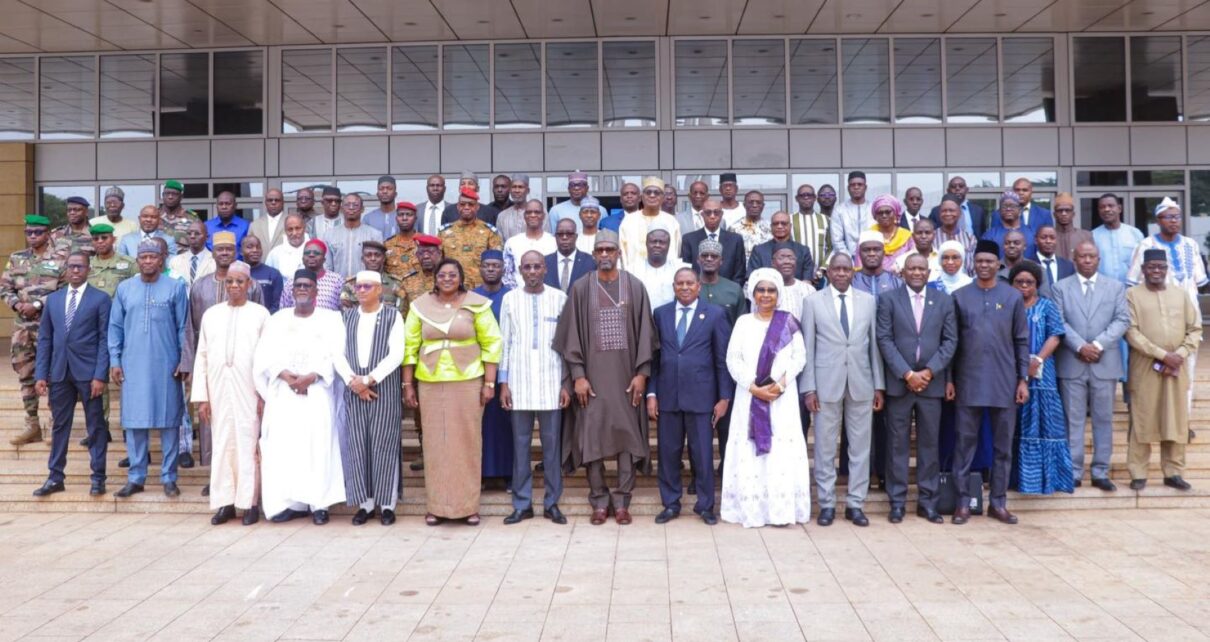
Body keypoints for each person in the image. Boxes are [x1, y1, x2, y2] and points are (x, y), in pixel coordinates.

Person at [554, 230, 657, 526]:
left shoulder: (635, 287)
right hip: (592, 382)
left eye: (609, 249)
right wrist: (578, 376)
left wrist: (642, 374)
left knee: (627, 438)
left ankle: (623, 501)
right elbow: (570, 335)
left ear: (619, 252)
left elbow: (647, 336)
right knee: (592, 439)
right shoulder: (581, 288)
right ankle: (599, 501)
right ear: (594, 253)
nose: (604, 255)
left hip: (627, 380)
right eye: (599, 250)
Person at [403, 258, 503, 526]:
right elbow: (410, 345)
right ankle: (436, 506)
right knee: (436, 445)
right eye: (442, 274)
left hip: (468, 379)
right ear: (435, 278)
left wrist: (490, 383)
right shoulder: (420, 306)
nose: (447, 278)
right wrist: (408, 384)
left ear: (461, 277)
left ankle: (468, 506)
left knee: (467, 442)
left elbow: (492, 343)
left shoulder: (476, 303)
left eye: (453, 274)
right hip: (431, 381)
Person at [255, 270, 347, 525]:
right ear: (292, 291)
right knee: (285, 447)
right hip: (284, 393)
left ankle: (319, 504)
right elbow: (264, 355)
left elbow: (336, 354)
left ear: (317, 292)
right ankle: (290, 504)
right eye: (298, 286)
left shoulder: (331, 319)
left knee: (317, 446)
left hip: (316, 392)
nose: (302, 289)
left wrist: (313, 376)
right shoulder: (277, 319)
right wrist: (284, 375)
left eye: (308, 285)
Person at [721, 267, 811, 527]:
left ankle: (780, 511)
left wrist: (780, 385)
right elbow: (732, 359)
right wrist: (753, 387)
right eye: (761, 290)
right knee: (751, 452)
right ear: (752, 293)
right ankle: (751, 509)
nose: (766, 295)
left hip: (781, 399)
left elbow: (799, 357)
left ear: (779, 294)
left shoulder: (788, 321)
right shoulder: (743, 323)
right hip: (749, 397)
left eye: (771, 290)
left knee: (780, 451)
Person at [800, 254, 884, 527]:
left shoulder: (868, 301)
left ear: (852, 272)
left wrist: (879, 385)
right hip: (826, 385)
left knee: (860, 448)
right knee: (825, 448)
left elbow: (873, 347)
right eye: (836, 269)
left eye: (846, 269)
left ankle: (855, 504)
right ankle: (826, 504)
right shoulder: (813, 301)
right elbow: (808, 347)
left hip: (862, 383)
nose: (841, 273)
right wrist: (809, 387)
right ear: (828, 272)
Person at [951, 239, 1030, 525]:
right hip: (968, 382)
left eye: (989, 261)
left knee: (1002, 447)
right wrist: (949, 380)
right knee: (964, 445)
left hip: (1004, 383)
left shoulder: (1011, 298)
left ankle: (998, 503)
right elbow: (952, 344)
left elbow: (1022, 341)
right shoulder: (959, 297)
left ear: (998, 265)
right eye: (979, 261)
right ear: (973, 263)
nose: (984, 265)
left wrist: (1022, 380)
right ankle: (962, 503)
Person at [876, 254, 957, 524]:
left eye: (922, 268)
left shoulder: (944, 301)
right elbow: (884, 339)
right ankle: (897, 502)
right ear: (902, 272)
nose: (917, 273)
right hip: (900, 384)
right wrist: (908, 373)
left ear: (929, 271)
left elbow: (950, 341)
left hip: (931, 384)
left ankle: (928, 502)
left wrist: (929, 372)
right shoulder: (888, 300)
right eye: (912, 268)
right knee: (897, 445)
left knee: (929, 445)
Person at [649, 268, 732, 525]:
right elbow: (654, 359)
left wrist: (724, 397)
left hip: (702, 398)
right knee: (668, 453)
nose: (685, 288)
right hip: (668, 397)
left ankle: (706, 506)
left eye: (689, 283)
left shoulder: (716, 314)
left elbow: (722, 359)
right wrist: (652, 393)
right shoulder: (660, 314)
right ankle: (671, 503)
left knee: (703, 455)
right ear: (674, 287)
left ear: (698, 287)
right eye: (680, 283)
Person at [109, 240, 188, 498]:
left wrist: (182, 360)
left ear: (161, 259)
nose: (147, 261)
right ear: (137, 260)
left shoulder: (175, 288)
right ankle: (136, 476)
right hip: (132, 364)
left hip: (166, 365)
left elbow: (182, 328)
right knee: (134, 423)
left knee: (169, 421)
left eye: (152, 257)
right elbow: (115, 328)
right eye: (143, 257)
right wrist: (115, 360)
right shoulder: (124, 288)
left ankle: (169, 477)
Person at [191, 261, 269, 525]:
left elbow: (267, 359)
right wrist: (202, 397)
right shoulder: (211, 315)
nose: (234, 286)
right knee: (222, 444)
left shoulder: (260, 314)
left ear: (250, 284)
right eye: (230, 282)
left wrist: (263, 395)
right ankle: (225, 502)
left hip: (249, 390)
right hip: (218, 390)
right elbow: (201, 355)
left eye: (239, 282)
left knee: (248, 444)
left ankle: (250, 504)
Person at [499, 251, 570, 525]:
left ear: (545, 269)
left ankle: (552, 503)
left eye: (537, 266)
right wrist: (503, 382)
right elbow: (504, 342)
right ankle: (522, 503)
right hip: (519, 383)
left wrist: (566, 383)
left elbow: (566, 346)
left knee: (552, 449)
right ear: (519, 269)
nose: (532, 271)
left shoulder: (559, 298)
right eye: (527, 267)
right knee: (521, 447)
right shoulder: (510, 299)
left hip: (552, 384)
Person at [1052, 242, 1129, 491]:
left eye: (1091, 256)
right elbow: (1058, 320)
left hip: (1104, 362)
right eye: (1082, 256)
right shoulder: (1060, 287)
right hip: (1072, 361)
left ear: (1099, 260)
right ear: (1074, 259)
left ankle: (1100, 471)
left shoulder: (1115, 287)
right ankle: (1073, 472)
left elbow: (1122, 319)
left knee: (1103, 419)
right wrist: (1080, 347)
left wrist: (1096, 344)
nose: (1086, 260)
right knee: (1072, 421)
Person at [32, 252, 110, 497]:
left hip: (89, 374)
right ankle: (55, 477)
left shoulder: (101, 299)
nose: (76, 271)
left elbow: (105, 340)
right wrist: (41, 374)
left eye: (81, 266)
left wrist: (100, 375)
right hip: (59, 372)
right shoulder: (53, 300)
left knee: (95, 427)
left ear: (88, 269)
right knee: (59, 426)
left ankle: (98, 478)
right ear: (65, 270)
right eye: (72, 266)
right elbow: (45, 339)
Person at [1124, 249, 1202, 491]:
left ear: (1167, 270)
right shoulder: (1131, 295)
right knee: (1142, 418)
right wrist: (1162, 355)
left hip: (1176, 369)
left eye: (1161, 267)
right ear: (1143, 269)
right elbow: (1131, 331)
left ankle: (1173, 472)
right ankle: (1138, 473)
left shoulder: (1180, 295)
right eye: (1151, 267)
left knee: (1176, 420)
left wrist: (1178, 355)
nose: (1156, 271)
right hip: (1145, 366)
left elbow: (1195, 329)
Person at [334, 271, 405, 526]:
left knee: (383, 445)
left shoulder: (392, 316)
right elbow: (337, 353)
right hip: (354, 389)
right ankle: (365, 504)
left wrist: (368, 380)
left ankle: (387, 504)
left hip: (383, 389)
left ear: (379, 290)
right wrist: (355, 382)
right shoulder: (347, 317)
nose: (361, 291)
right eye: (358, 287)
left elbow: (397, 354)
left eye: (367, 286)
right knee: (358, 446)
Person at [1006, 261, 1074, 495]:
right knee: (1016, 426)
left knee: (1045, 424)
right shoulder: (1006, 306)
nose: (1024, 286)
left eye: (1029, 282)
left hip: (1042, 376)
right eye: (1019, 282)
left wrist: (1037, 361)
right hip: (1011, 374)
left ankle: (1048, 480)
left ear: (1037, 284)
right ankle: (1018, 479)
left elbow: (1055, 335)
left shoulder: (1046, 306)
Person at [2, 215, 67, 446]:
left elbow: (66, 290)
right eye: (28, 232)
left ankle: (54, 424)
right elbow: (5, 288)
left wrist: (38, 304)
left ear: (47, 234)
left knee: (51, 375)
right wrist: (18, 304)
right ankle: (32, 424)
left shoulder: (60, 260)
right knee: (25, 374)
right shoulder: (17, 258)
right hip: (23, 330)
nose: (32, 236)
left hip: (49, 328)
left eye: (37, 232)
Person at [472, 251, 513, 491]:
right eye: (486, 265)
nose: (491, 269)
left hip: (506, 370)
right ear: (480, 268)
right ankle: (483, 474)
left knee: (506, 424)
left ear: (503, 269)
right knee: (482, 425)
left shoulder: (511, 296)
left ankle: (508, 473)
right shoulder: (471, 297)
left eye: (496, 265)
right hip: (477, 370)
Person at [439, 187, 504, 291]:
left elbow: (496, 264)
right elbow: (439, 264)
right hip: (452, 288)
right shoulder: (444, 233)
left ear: (477, 207)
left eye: (471, 204)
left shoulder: (489, 232)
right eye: (462, 204)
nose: (466, 207)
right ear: (457, 206)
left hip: (480, 289)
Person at [619, 176, 682, 270]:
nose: (652, 195)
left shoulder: (671, 222)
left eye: (657, 193)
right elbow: (622, 254)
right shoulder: (629, 221)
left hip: (665, 277)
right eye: (648, 192)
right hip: (634, 276)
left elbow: (676, 252)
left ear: (663, 197)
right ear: (641, 197)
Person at [682, 197, 747, 283]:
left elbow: (740, 272)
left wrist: (732, 291)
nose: (712, 216)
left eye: (716, 212)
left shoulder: (735, 240)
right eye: (708, 213)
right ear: (702, 215)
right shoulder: (689, 239)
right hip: (698, 291)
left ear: (721, 214)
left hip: (728, 292)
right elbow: (687, 271)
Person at [322, 193, 383, 278]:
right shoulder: (329, 235)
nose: (351, 208)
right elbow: (327, 266)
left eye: (355, 205)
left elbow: (379, 266)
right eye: (347, 205)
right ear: (342, 209)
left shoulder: (374, 235)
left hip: (365, 285)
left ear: (362, 209)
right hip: (338, 287)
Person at [627, 224, 687, 309]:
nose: (657, 245)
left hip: (670, 320)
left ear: (669, 245)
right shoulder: (632, 270)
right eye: (653, 241)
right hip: (641, 320)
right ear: (646, 243)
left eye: (662, 242)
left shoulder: (680, 269)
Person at [747, 211, 815, 282]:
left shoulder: (803, 251)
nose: (779, 226)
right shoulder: (758, 251)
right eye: (776, 224)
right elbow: (752, 279)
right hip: (767, 291)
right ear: (771, 227)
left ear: (790, 226)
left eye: (784, 223)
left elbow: (807, 281)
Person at [502, 200, 556, 289]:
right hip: (518, 296)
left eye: (537, 212)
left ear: (543, 216)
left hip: (548, 297)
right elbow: (507, 276)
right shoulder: (512, 243)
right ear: (524, 216)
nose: (533, 215)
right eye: (529, 212)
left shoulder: (553, 242)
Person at [338, 240, 404, 312]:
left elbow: (401, 313)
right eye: (368, 255)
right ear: (362, 259)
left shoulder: (395, 283)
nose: (373, 258)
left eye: (377, 255)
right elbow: (346, 313)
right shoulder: (350, 284)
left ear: (384, 259)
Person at [279, 239, 343, 311]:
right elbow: (283, 311)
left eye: (316, 253)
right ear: (303, 259)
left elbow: (344, 309)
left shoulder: (336, 280)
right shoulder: (292, 282)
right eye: (307, 253)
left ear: (324, 259)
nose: (311, 255)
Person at [1092, 193, 1141, 283]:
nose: (1106, 209)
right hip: (1103, 289)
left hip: (1131, 289)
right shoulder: (1093, 236)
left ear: (1119, 208)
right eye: (1102, 207)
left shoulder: (1135, 233)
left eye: (1110, 206)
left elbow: (1142, 261)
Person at [697, 238, 746, 326]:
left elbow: (742, 324)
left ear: (721, 261)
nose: (709, 259)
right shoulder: (687, 287)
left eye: (714, 256)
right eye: (704, 255)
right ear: (698, 260)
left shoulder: (734, 289)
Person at [791, 183, 831, 282]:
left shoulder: (826, 220)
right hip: (796, 276)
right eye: (802, 195)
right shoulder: (789, 220)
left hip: (821, 276)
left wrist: (822, 269)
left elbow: (832, 247)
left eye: (809, 195)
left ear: (815, 198)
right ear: (796, 199)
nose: (806, 197)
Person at [830, 171, 874, 258]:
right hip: (847, 258)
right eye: (853, 185)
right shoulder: (839, 210)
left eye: (859, 184)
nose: (856, 187)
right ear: (848, 188)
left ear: (865, 187)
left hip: (872, 257)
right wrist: (849, 259)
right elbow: (837, 241)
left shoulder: (873, 208)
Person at [544, 218, 594, 293]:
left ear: (576, 236)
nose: (564, 237)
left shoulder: (590, 262)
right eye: (560, 234)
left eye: (569, 234)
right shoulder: (544, 262)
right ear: (555, 237)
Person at [983, 191, 1037, 259]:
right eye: (1004, 206)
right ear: (999, 211)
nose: (1008, 209)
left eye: (1012, 206)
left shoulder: (1032, 234)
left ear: (1020, 210)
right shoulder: (989, 236)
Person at [87, 224, 136, 298]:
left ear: (114, 239)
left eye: (104, 238)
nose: (100, 241)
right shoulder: (86, 265)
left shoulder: (130, 263)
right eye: (96, 239)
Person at [868, 194, 914, 273]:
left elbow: (914, 261)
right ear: (875, 216)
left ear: (895, 213)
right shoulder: (868, 236)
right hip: (873, 281)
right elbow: (860, 264)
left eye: (888, 212)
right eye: (880, 213)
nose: (884, 215)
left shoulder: (907, 236)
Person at [934, 194, 977, 276]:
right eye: (944, 211)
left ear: (959, 213)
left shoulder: (970, 238)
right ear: (939, 213)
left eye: (951, 210)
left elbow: (973, 268)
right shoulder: (932, 237)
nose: (947, 213)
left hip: (965, 285)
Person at [243, 235, 283, 315]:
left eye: (258, 247)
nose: (255, 250)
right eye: (250, 247)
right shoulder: (237, 274)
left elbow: (277, 305)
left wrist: (264, 319)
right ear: (241, 251)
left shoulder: (273, 274)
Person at [168, 221, 214, 289]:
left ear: (207, 237)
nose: (192, 236)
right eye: (189, 233)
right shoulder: (175, 262)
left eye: (197, 234)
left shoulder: (215, 261)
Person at [205, 192, 251, 258]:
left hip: (238, 267)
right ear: (216, 206)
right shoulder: (207, 226)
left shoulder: (246, 226)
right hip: (212, 267)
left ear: (235, 205)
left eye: (228, 204)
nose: (224, 207)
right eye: (221, 204)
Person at [158, 180, 199, 254]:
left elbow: (198, 242)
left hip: (183, 261)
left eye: (174, 194)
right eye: (167, 193)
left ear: (181, 197)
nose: (170, 197)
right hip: (159, 262)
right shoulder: (154, 216)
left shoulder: (191, 218)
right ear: (162, 195)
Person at [384, 202, 420, 282]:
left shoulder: (424, 243)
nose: (404, 218)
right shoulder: (387, 245)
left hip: (420, 292)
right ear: (396, 218)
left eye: (409, 215)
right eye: (401, 215)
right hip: (395, 292)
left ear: (415, 218)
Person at [730, 190, 773, 258]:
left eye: (758, 202)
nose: (754, 205)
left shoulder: (771, 228)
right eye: (751, 202)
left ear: (763, 206)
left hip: (765, 267)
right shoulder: (734, 228)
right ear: (744, 205)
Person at [1030, 225, 1075, 291]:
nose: (1048, 241)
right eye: (1043, 237)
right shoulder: (1028, 264)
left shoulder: (1068, 266)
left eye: (1052, 238)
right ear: (1035, 240)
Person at [1051, 193, 1092, 260]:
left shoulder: (1086, 236)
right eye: (1060, 211)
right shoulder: (1049, 237)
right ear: (1054, 214)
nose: (1064, 214)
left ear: (1073, 214)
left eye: (1067, 210)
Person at [495, 174, 530, 241]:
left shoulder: (539, 213)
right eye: (514, 187)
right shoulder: (502, 216)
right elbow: (499, 243)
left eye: (520, 187)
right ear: (510, 191)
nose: (517, 190)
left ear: (528, 190)